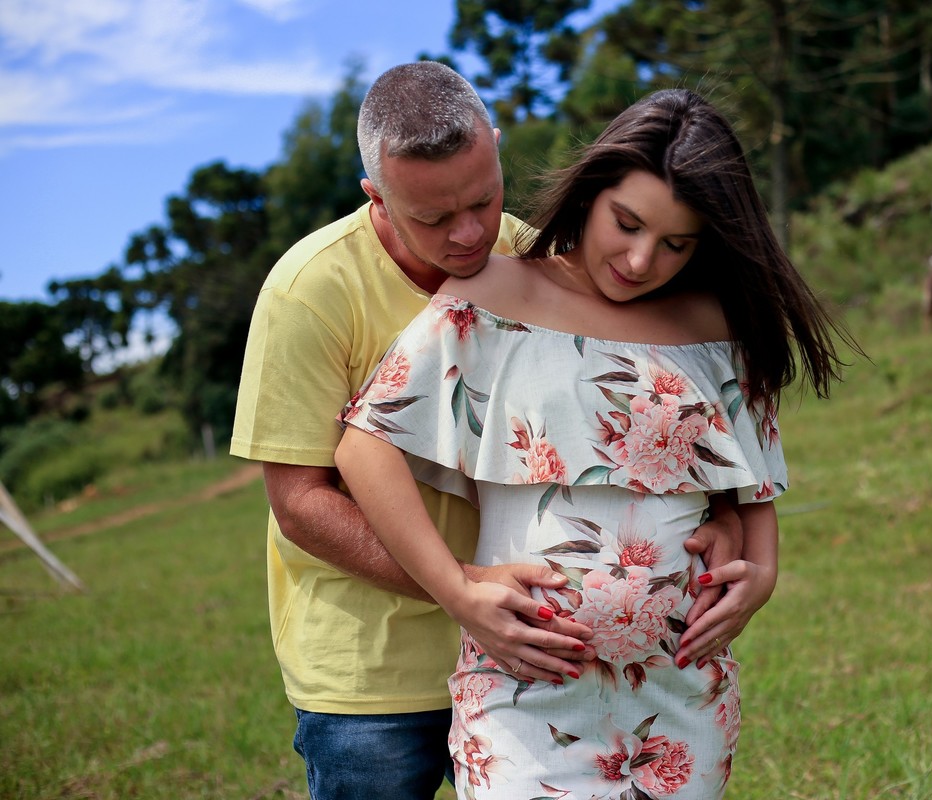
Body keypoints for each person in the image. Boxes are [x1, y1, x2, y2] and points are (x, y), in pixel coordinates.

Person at [231, 63, 741, 800]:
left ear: (497, 150)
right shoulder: (308, 292)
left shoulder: (531, 260)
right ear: (376, 196)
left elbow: (639, 406)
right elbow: (302, 503)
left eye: (482, 199)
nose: (469, 233)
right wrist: (462, 586)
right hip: (375, 673)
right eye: (433, 218)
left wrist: (728, 515)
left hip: (540, 671)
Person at [334, 88, 852, 798]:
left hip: (681, 694)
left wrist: (761, 575)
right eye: (627, 223)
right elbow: (365, 447)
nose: (640, 260)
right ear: (591, 191)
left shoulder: (715, 327)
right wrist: (457, 591)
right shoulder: (491, 295)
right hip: (524, 691)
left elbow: (751, 488)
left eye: (675, 243)